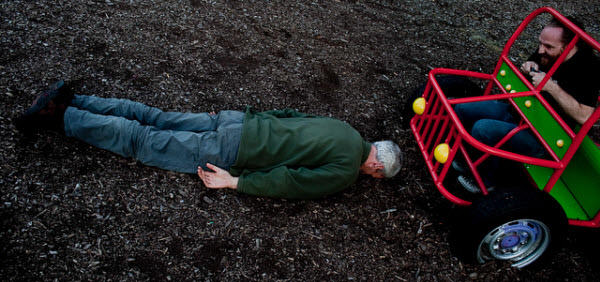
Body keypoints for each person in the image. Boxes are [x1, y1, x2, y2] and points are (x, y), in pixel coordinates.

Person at [15, 81, 403, 199]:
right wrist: (236, 181)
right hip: (236, 149)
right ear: (376, 166)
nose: (372, 178)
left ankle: (74, 100)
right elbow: (293, 181)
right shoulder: (345, 171)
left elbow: (289, 116)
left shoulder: (347, 130)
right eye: (377, 176)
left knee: (154, 115)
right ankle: (62, 115)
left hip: (237, 122)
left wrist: (245, 114)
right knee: (144, 141)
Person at [451, 17, 600, 192]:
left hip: (548, 139)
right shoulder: (547, 52)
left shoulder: (589, 68)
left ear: (568, 47)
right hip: (523, 113)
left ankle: (485, 182)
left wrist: (552, 87)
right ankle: (466, 160)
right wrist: (528, 66)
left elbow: (585, 116)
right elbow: (532, 70)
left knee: (483, 129)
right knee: (463, 108)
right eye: (540, 43)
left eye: (548, 47)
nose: (540, 50)